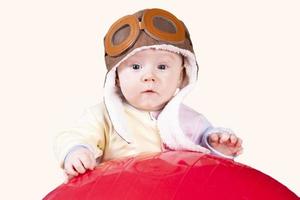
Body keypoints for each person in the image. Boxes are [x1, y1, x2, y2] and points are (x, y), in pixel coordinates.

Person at [54, 8, 243, 182]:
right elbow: (74, 136)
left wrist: (217, 147)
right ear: (117, 78)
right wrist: (76, 151)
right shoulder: (104, 117)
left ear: (181, 76)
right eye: (135, 67)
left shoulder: (189, 121)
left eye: (162, 67)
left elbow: (208, 167)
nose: (149, 77)